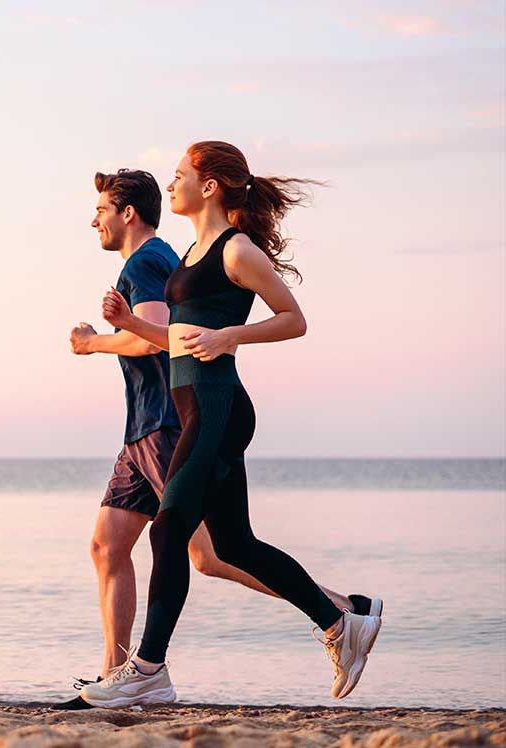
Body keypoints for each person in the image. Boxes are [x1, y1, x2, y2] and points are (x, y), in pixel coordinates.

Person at [78, 144, 382, 708]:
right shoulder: (192, 252)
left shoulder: (236, 250)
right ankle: (342, 621)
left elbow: (294, 320)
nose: (172, 186)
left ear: (210, 185)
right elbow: (181, 339)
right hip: (197, 405)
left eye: (180, 176)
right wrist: (126, 329)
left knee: (171, 533)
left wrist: (231, 337)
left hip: (217, 408)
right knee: (234, 544)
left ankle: (147, 670)